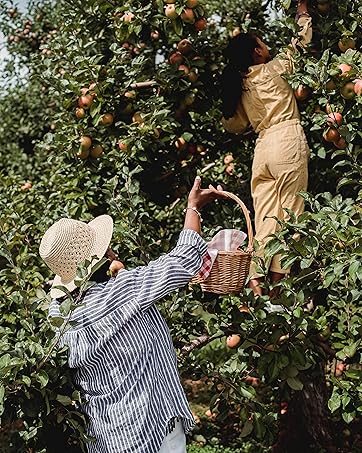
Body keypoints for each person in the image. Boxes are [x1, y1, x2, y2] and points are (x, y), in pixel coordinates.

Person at [39, 176, 225, 453]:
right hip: (151, 430)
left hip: (107, 437)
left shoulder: (59, 314)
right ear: (98, 259)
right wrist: (193, 207)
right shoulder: (125, 292)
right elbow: (184, 258)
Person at [220, 0, 312, 296]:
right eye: (261, 42)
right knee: (291, 214)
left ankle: (255, 282)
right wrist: (302, 9)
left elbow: (233, 125)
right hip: (286, 141)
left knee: (266, 220)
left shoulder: (241, 84)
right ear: (257, 51)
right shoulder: (274, 69)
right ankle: (278, 292)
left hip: (262, 150)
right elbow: (301, 40)